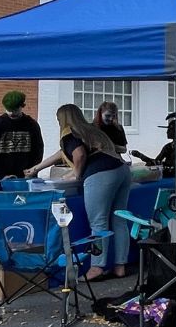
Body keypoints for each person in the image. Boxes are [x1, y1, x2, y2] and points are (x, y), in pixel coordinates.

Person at [25, 104, 130, 281]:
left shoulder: (68, 132)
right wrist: (37, 167)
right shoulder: (88, 129)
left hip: (100, 174)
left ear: (62, 119)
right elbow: (63, 152)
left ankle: (96, 267)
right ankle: (120, 266)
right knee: (119, 220)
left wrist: (78, 174)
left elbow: (79, 154)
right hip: (121, 171)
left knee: (98, 223)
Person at [0, 90, 43, 183]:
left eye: (15, 110)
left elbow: (38, 150)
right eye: (9, 110)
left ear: (22, 106)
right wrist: (0, 176)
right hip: (3, 175)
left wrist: (32, 170)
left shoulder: (31, 124)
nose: (11, 113)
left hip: (27, 175)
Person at [132, 113, 176, 178]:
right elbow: (156, 161)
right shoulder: (167, 147)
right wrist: (141, 156)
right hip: (167, 175)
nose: (167, 132)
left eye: (169, 129)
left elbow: (175, 164)